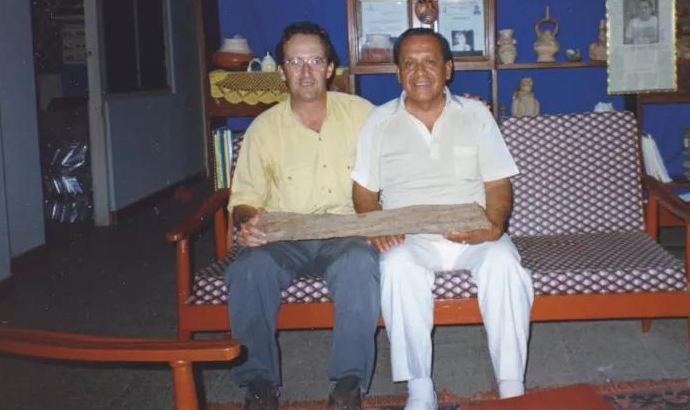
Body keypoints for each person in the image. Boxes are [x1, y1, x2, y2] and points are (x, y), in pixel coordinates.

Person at [351, 28, 534, 410]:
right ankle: (420, 389)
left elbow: (498, 183)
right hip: (412, 236)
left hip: (472, 229)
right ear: (398, 73)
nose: (420, 72)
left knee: (504, 263)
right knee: (397, 266)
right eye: (409, 63)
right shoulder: (378, 122)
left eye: (430, 61)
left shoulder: (477, 115)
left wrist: (494, 225)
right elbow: (364, 193)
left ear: (448, 69)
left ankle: (511, 385)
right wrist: (378, 226)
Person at [226, 22, 380, 410]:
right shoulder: (264, 128)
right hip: (284, 234)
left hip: (346, 231)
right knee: (247, 269)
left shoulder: (364, 115)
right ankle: (259, 384)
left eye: (315, 60)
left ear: (330, 68)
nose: (307, 71)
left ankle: (348, 383)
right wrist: (245, 222)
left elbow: (406, 141)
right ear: (281, 72)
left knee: (360, 264)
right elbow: (244, 198)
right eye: (296, 62)